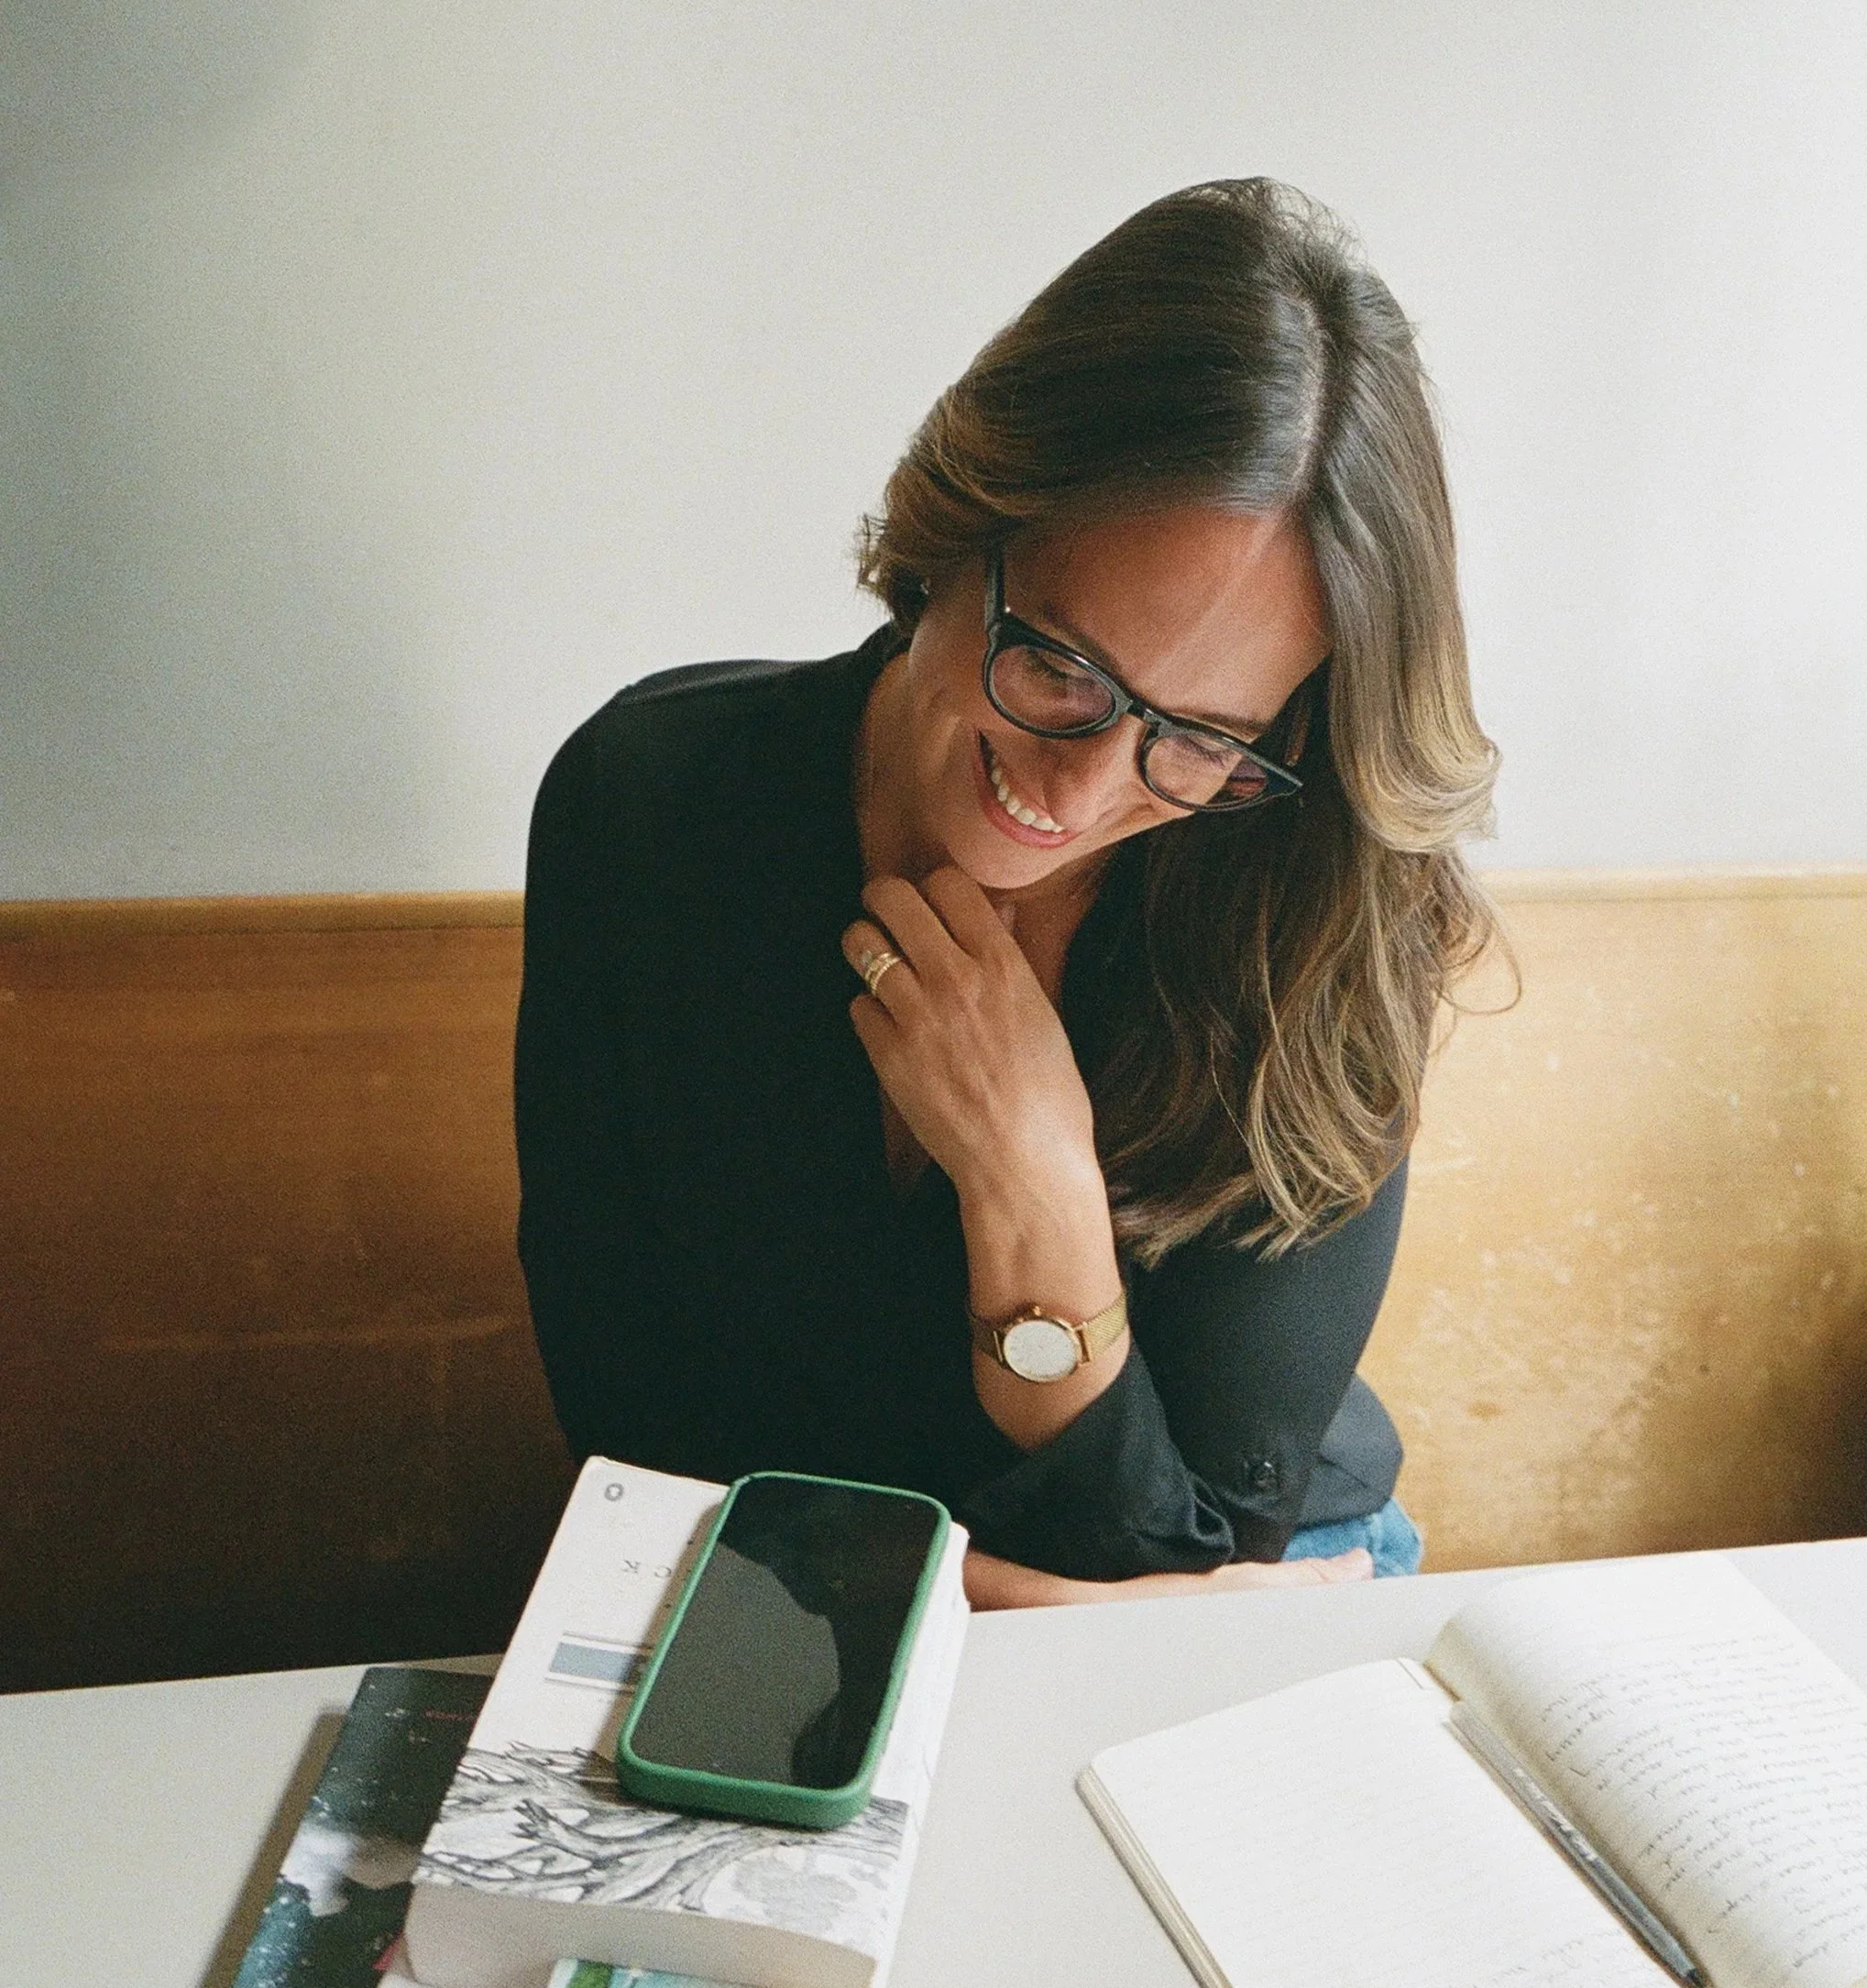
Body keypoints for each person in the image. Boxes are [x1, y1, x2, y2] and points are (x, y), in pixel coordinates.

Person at [515, 179, 1498, 1609]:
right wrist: (1095, 1614)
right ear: (960, 523)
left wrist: (1033, 1188)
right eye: (1063, 669)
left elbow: (1216, 1548)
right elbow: (645, 1485)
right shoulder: (651, 810)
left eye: (1205, 735)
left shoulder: (1325, 906)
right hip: (782, 1635)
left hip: (1247, 1601)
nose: (1090, 786)